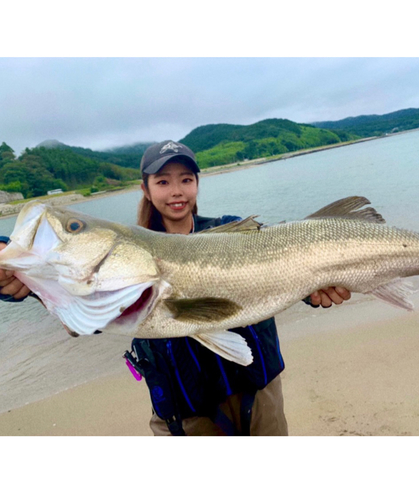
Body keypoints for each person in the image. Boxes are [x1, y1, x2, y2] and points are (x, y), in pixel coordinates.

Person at [0, 140, 351, 436]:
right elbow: (76, 298)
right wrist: (24, 281)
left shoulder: (233, 230)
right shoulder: (124, 254)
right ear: (145, 188)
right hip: (186, 410)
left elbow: (289, 261)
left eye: (186, 179)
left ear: (197, 183)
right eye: (163, 182)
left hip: (258, 394)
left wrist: (313, 290)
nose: (177, 191)